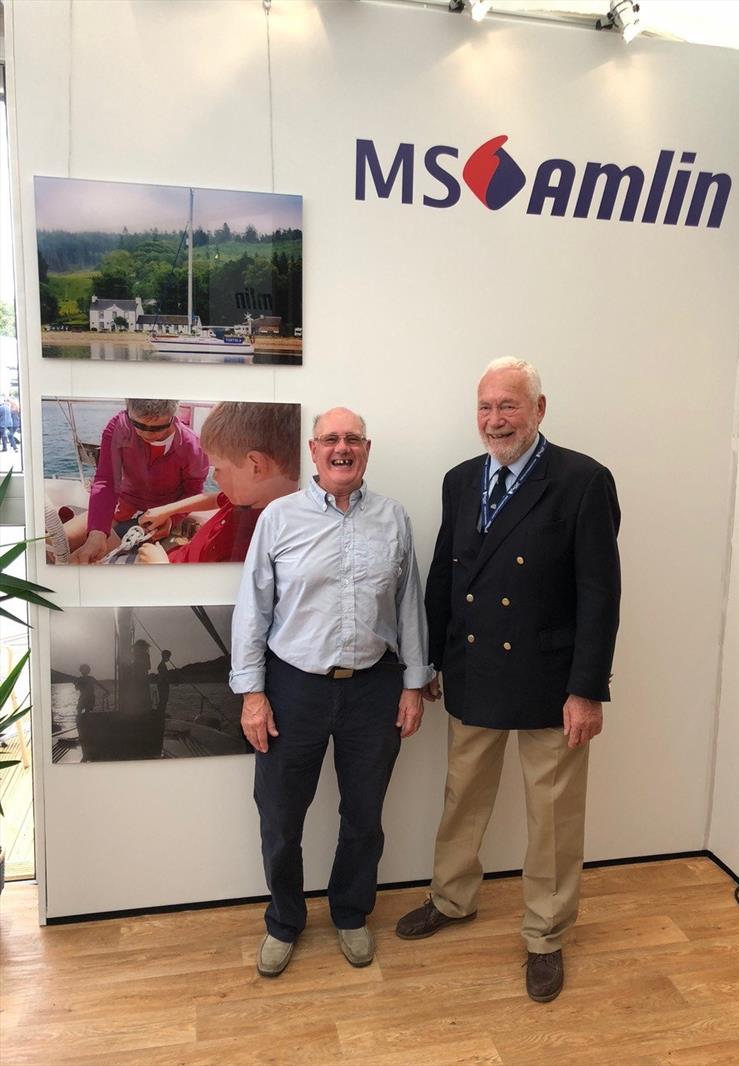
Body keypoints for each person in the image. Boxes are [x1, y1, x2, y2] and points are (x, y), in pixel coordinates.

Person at [395, 358, 621, 1004]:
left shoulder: (582, 481)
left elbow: (600, 595)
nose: (496, 420)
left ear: (539, 409)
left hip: (554, 685)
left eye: (509, 406)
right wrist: (433, 658)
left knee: (551, 817)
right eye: (486, 407)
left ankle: (546, 935)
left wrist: (588, 689)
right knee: (461, 795)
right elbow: (446, 574)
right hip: (474, 670)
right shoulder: (460, 480)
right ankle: (452, 898)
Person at [230, 407, 433, 978]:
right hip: (293, 688)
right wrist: (252, 694)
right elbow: (253, 610)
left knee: (364, 814)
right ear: (313, 451)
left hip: (374, 688)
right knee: (280, 816)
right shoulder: (279, 517)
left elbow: (409, 606)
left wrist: (413, 683)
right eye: (330, 440)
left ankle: (350, 912)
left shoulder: (394, 518)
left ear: (366, 449)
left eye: (352, 439)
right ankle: (285, 921)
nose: (342, 448)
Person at [134, 402, 300, 564]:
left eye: (218, 468)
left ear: (255, 467)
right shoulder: (247, 496)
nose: (214, 478)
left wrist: (161, 568)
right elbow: (214, 499)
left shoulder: (252, 544)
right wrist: (166, 511)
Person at [67, 399, 209, 564]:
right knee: (59, 542)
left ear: (173, 415)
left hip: (166, 513)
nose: (147, 434)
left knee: (94, 562)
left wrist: (172, 518)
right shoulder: (119, 427)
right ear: (128, 412)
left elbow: (193, 491)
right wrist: (97, 532)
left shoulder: (193, 446)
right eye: (138, 425)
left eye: (157, 428)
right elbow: (107, 480)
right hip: (124, 504)